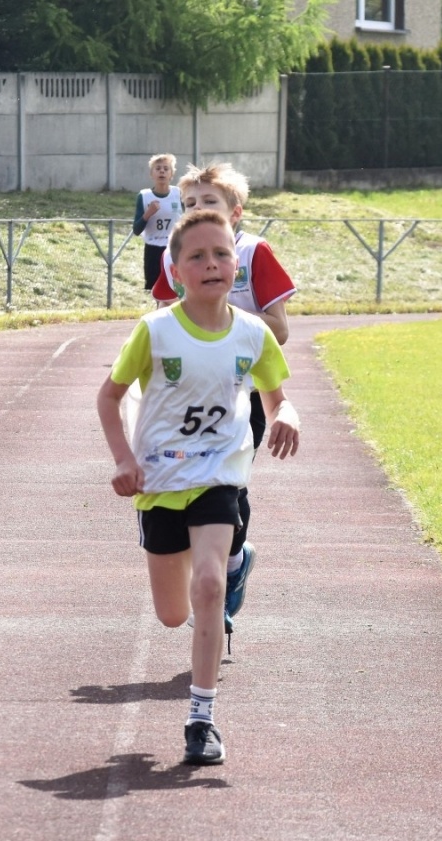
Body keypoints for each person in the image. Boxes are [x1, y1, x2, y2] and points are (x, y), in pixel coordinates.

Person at [97, 209, 300, 766]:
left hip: (219, 474)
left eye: (221, 255)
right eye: (197, 257)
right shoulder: (155, 332)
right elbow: (108, 397)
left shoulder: (252, 333)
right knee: (170, 612)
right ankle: (206, 570)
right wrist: (122, 459)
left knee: (209, 586)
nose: (211, 264)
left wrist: (289, 415)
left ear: (236, 267)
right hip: (160, 481)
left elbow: (276, 394)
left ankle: (201, 718)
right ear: (176, 270)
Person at [150, 162, 297, 637]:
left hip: (241, 394)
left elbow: (281, 327)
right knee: (183, 482)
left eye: (208, 203)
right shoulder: (178, 258)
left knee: (227, 485)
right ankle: (204, 560)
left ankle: (231, 564)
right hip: (181, 397)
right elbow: (162, 316)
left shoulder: (253, 254)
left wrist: (231, 322)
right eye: (188, 204)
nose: (196, 211)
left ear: (235, 213)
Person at [132, 153, 182, 292]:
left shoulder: (178, 194)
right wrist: (148, 214)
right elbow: (136, 230)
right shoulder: (144, 196)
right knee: (155, 290)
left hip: (174, 248)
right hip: (153, 248)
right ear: (151, 174)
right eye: (158, 168)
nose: (162, 171)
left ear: (171, 174)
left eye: (166, 169)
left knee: (176, 287)